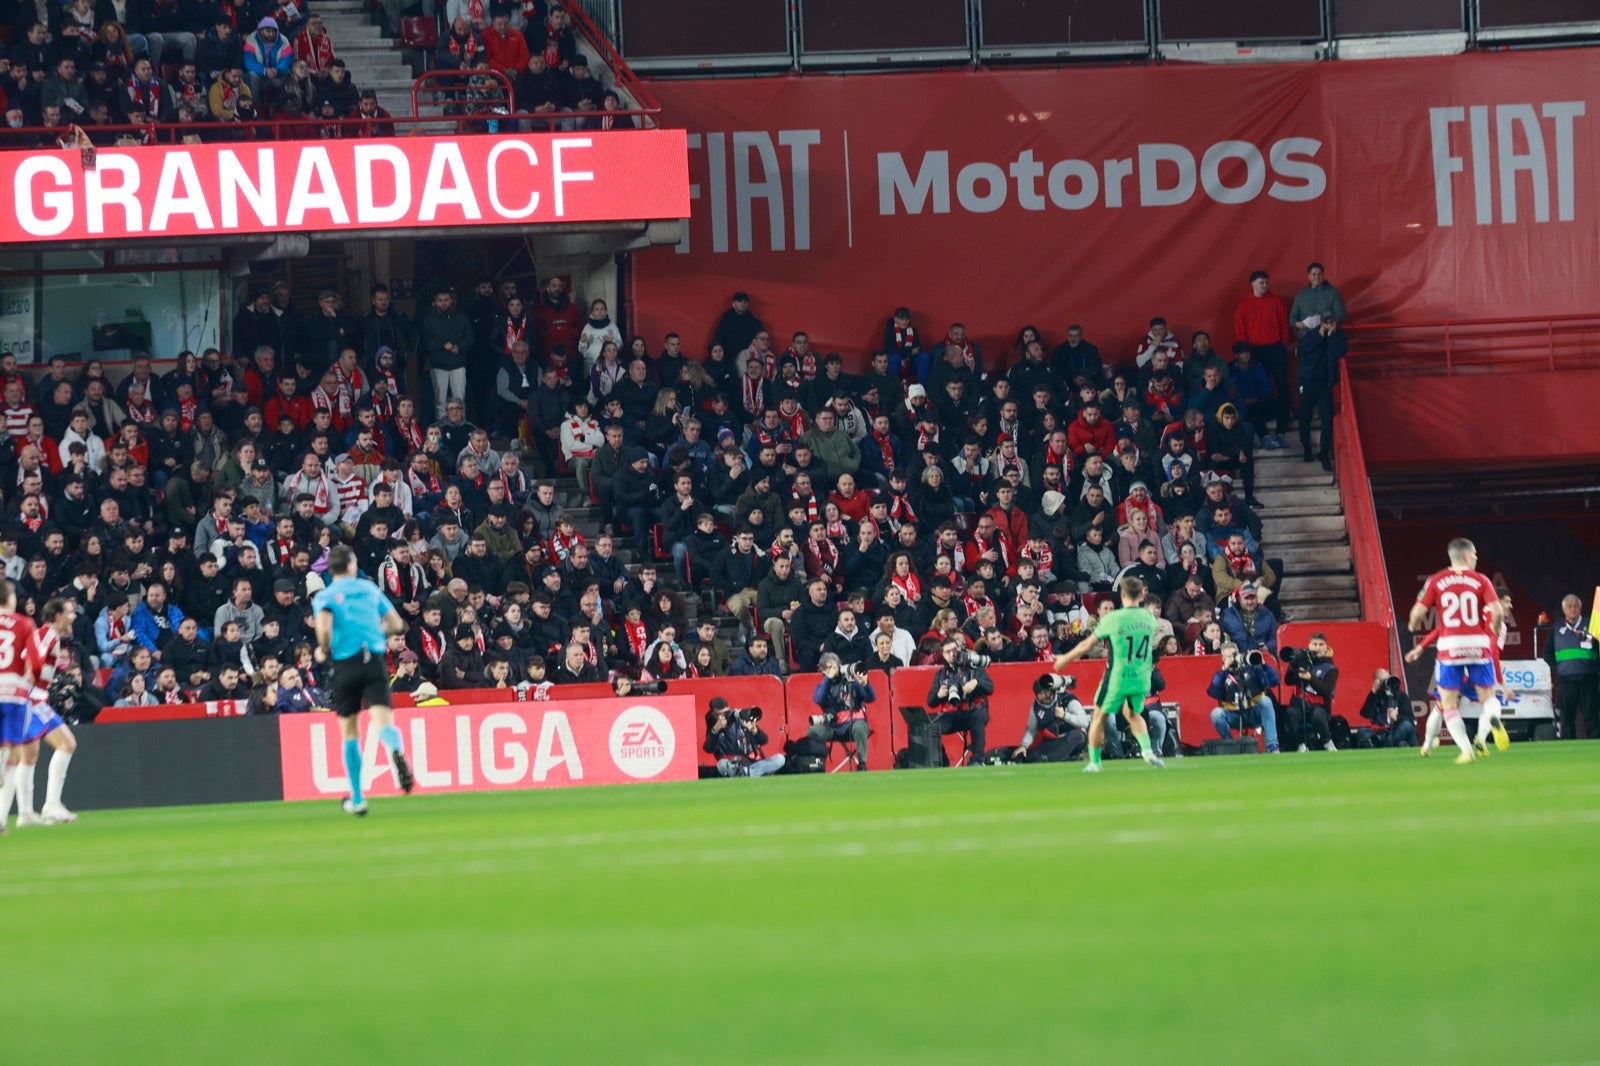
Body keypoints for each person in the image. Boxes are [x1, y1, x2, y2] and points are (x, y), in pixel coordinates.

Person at [312, 544, 414, 816]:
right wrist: (375, 629)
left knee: (350, 732)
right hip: (375, 661)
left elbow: (323, 626)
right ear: (351, 565)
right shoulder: (369, 589)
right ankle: (395, 749)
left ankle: (357, 798)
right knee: (383, 722)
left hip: (346, 664)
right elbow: (396, 624)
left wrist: (323, 648)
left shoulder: (326, 595)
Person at [1406, 538, 1503, 764]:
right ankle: (1493, 717)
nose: (1477, 558)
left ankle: (1467, 750)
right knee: (1488, 697)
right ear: (1467, 557)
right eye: (1475, 555)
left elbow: (1418, 612)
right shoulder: (1481, 580)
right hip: (1478, 643)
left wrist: (1412, 627)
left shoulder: (1437, 580)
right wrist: (1495, 628)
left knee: (1447, 704)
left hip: (1451, 645)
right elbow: (1497, 611)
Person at [1054, 575, 1165, 771]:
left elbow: (1088, 645)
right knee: (1132, 713)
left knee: (1098, 717)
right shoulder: (1149, 618)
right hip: (1141, 677)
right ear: (1141, 595)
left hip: (1118, 676)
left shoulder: (1114, 618)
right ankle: (1148, 751)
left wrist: (1065, 659)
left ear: (1122, 595)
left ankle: (1095, 762)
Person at [0, 590, 81, 826]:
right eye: (69, 612)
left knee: (29, 756)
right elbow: (32, 659)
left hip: (30, 697)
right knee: (67, 744)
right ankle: (52, 804)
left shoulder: (47, 634)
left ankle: (25, 813)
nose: (73, 616)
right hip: (31, 699)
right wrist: (31, 686)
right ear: (57, 616)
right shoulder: (48, 635)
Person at [924, 636, 993, 766]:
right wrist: (939, 695)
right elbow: (930, 702)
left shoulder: (973, 667)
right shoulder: (941, 674)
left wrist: (976, 682)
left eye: (954, 650)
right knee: (927, 721)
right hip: (952, 715)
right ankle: (940, 761)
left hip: (973, 711)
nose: (952, 654)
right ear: (943, 655)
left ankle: (977, 760)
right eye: (948, 652)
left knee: (977, 716)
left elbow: (990, 687)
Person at [1543, 593, 1599, 741]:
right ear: (1564, 610)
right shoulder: (1557, 627)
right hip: (1566, 680)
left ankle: (1595, 744)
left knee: (1592, 714)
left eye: (1576, 606)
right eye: (1570, 606)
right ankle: (1568, 745)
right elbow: (1547, 652)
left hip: (1589, 678)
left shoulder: (1592, 624)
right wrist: (1558, 668)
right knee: (1567, 716)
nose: (1573, 609)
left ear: (1580, 608)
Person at [1207, 642, 1282, 753]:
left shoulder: (1252, 669)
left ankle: (1272, 746)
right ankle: (1229, 745)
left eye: (1234, 655)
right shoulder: (1222, 675)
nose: (1232, 659)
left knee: (1266, 701)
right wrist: (1224, 670)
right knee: (1216, 713)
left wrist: (1263, 663)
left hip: (1253, 712)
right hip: (1234, 714)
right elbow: (1213, 692)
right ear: (1223, 658)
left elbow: (1274, 681)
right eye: (1229, 656)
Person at [807, 653, 875, 770]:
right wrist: (828, 678)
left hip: (853, 725)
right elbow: (819, 699)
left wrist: (864, 684)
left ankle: (862, 764)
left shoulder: (851, 682)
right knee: (813, 730)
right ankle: (817, 764)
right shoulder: (822, 686)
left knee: (859, 726)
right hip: (833, 727)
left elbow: (870, 698)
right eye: (830, 667)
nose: (835, 669)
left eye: (836, 666)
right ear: (823, 670)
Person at [1012, 674, 1089, 763]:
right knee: (1032, 757)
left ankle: (1050, 759)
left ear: (1053, 691)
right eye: (1041, 694)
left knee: (1076, 736)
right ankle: (1063, 758)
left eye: (1047, 692)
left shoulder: (1066, 699)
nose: (1044, 696)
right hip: (1054, 740)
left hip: (1074, 737)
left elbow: (1084, 722)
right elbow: (1031, 730)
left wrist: (1065, 716)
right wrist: (1023, 746)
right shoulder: (1036, 706)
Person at [1283, 633, 1340, 752]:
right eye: (1315, 644)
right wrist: (1294, 664)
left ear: (1326, 647)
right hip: (1300, 704)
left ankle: (1327, 742)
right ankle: (1300, 744)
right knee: (1290, 713)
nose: (1317, 647)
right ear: (1309, 645)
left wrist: (1310, 678)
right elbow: (1288, 681)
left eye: (1321, 645)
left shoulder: (1330, 668)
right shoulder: (1302, 661)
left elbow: (1326, 691)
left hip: (1319, 706)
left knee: (1318, 715)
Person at [704, 698, 785, 778]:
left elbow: (764, 740)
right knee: (721, 764)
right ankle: (758, 774)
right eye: (719, 714)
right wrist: (715, 730)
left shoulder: (740, 719)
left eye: (725, 713)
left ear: (728, 709)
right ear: (713, 715)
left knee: (780, 758)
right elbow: (708, 748)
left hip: (755, 763)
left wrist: (755, 731)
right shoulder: (714, 728)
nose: (722, 717)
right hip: (736, 766)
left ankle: (748, 774)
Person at [1358, 669, 1416, 748]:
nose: (1387, 683)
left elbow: (1411, 719)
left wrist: (1397, 718)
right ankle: (1379, 743)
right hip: (1378, 733)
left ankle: (1382, 743)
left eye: (1388, 679)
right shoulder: (1375, 696)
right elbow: (1366, 714)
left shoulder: (1400, 696)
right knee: (1362, 732)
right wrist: (1372, 692)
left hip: (1394, 731)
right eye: (1383, 681)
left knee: (1407, 726)